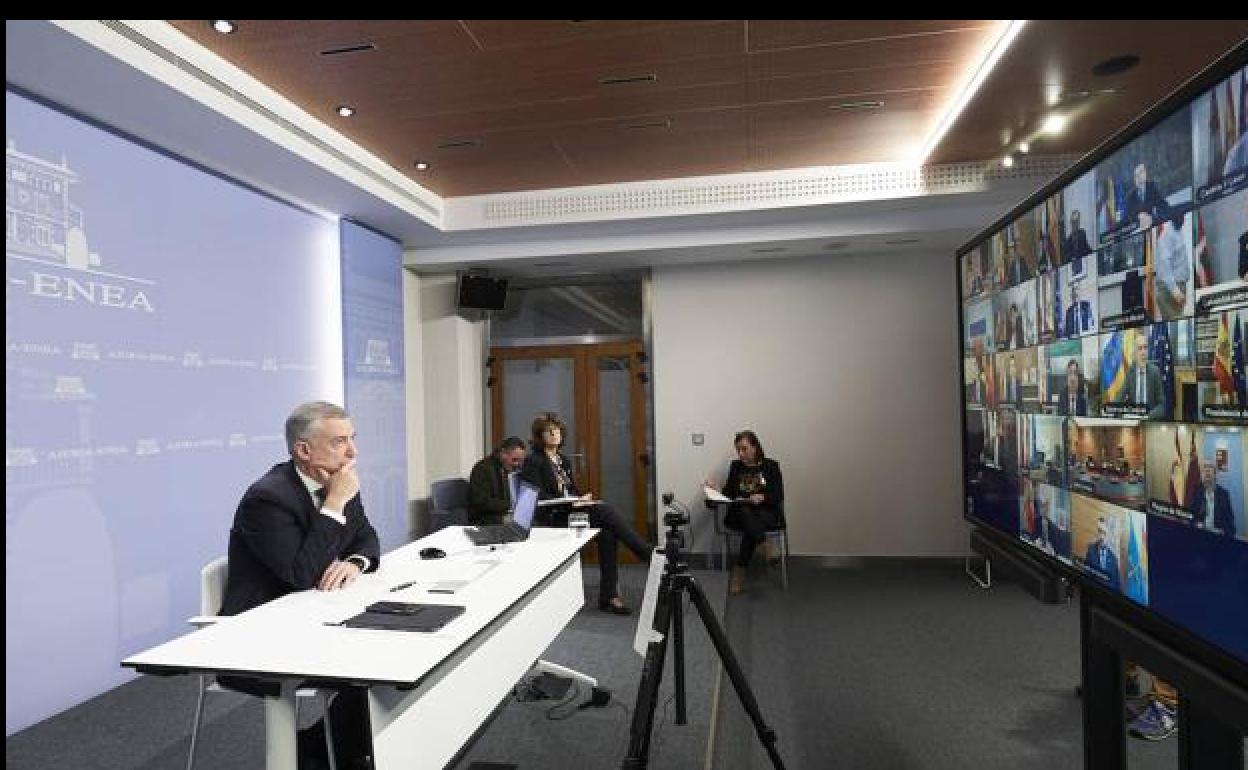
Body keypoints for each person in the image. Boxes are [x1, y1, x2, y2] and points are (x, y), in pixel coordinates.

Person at [220, 401, 380, 770]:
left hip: (313, 615)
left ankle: (325, 749)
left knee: (396, 649)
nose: (353, 452)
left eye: (352, 440)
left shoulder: (336, 479)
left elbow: (367, 537)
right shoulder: (267, 498)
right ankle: (319, 753)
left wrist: (355, 562)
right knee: (371, 665)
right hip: (260, 630)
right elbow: (301, 574)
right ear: (303, 450)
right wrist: (336, 502)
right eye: (340, 442)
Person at [520, 412, 651, 615]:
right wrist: (570, 502)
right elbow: (537, 496)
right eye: (549, 431)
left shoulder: (563, 460)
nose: (555, 434)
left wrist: (581, 498)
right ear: (540, 436)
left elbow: (570, 490)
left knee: (608, 531)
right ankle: (645, 553)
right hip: (553, 516)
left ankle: (609, 597)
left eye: (557, 430)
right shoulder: (533, 461)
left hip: (569, 510)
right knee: (605, 510)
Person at [707, 431, 785, 596]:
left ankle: (738, 574)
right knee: (745, 510)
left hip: (765, 514)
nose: (740, 453)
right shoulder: (736, 467)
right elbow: (729, 493)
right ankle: (766, 546)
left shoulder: (771, 466)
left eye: (744, 449)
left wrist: (762, 497)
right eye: (738, 450)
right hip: (740, 515)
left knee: (752, 527)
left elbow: (778, 495)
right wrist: (717, 489)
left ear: (755, 447)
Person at [467, 436, 527, 526]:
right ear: (502, 453)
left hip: (504, 513)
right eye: (514, 460)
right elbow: (480, 501)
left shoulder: (509, 470)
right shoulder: (482, 469)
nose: (517, 464)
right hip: (486, 519)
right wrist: (511, 505)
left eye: (520, 461)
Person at [1117, 332, 1165, 418]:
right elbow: (1120, 397)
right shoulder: (1130, 373)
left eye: (1145, 348)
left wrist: (1147, 416)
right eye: (1140, 348)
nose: (1143, 352)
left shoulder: (1155, 372)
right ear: (1135, 353)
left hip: (1149, 419)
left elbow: (1161, 406)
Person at [1153, 212, 1190, 319]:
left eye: (1183, 215)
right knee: (1175, 321)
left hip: (1179, 285)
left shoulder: (1178, 232)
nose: (1183, 218)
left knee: (1178, 319)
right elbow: (1164, 264)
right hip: (1170, 288)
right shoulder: (1167, 235)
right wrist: (1175, 290)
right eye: (1180, 215)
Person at [1187, 461, 1236, 537]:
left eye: (1210, 467)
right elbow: (1189, 516)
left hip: (1218, 539)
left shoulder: (1223, 494)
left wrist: (1222, 532)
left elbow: (1230, 523)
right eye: (1204, 468)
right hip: (1200, 536)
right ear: (1202, 475)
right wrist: (1196, 524)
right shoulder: (1197, 492)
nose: (1207, 470)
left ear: (1215, 474)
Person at [1125, 162, 1172, 232]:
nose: (1138, 177)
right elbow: (1128, 216)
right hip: (1139, 232)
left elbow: (1164, 206)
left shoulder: (1153, 187)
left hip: (1155, 228)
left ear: (1145, 174)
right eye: (1136, 176)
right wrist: (1138, 217)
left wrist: (1152, 218)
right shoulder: (1130, 196)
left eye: (1141, 173)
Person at [1084, 516, 1121, 592]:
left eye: (1105, 533)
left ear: (1109, 535)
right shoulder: (1090, 550)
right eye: (1100, 531)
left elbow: (1117, 585)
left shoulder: (1114, 558)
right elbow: (1086, 575)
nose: (1102, 537)